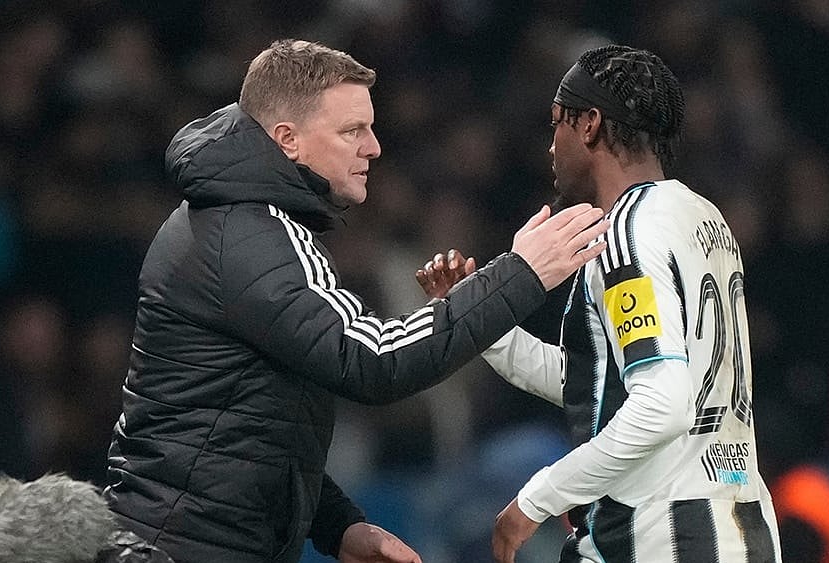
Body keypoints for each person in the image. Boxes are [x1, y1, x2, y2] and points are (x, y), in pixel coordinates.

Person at [104, 39, 610, 563]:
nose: (374, 147)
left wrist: (337, 525)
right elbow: (372, 360)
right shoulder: (248, 232)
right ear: (288, 140)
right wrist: (521, 273)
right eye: (352, 131)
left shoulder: (241, 219)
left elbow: (250, 429)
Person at [420, 44, 782, 562]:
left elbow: (660, 404)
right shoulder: (705, 218)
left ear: (589, 124)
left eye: (555, 125)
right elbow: (599, 384)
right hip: (741, 530)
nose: (550, 146)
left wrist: (536, 500)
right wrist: (477, 316)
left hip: (660, 538)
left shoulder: (628, 229)